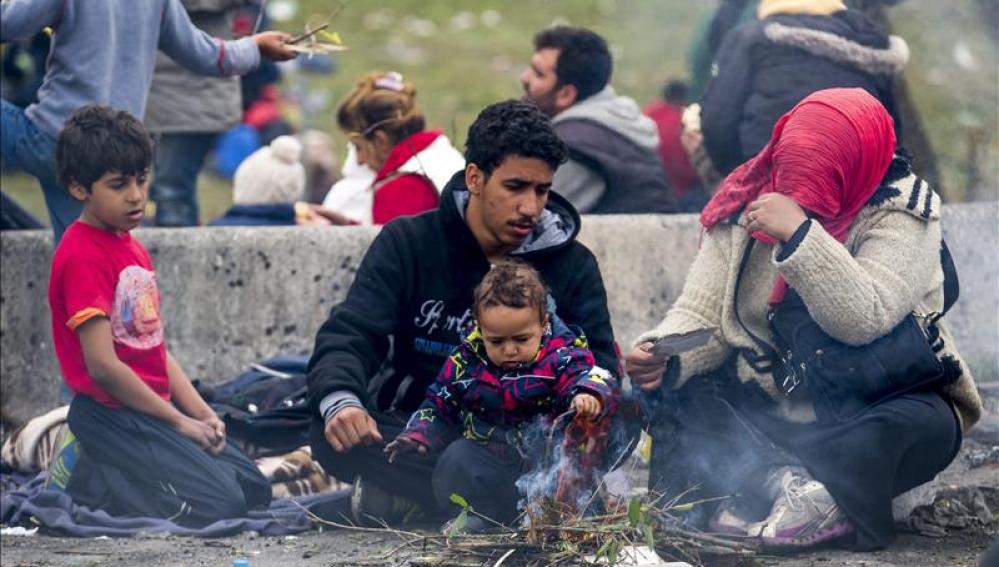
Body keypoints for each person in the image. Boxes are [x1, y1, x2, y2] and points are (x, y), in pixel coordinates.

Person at [625, 89, 981, 551]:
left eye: (821, 181)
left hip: (871, 400)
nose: (803, 194)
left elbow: (862, 317)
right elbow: (702, 313)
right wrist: (663, 353)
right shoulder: (746, 203)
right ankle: (786, 484)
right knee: (681, 393)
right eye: (793, 176)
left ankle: (772, 491)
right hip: (778, 410)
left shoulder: (903, 211)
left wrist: (800, 234)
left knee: (922, 423)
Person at [306, 100, 620, 524]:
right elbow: (350, 333)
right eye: (515, 187)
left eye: (542, 190)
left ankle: (426, 499)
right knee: (331, 433)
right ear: (475, 177)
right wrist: (341, 402)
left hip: (532, 445)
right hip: (427, 429)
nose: (531, 207)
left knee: (617, 430)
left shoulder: (573, 265)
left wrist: (588, 402)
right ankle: (499, 504)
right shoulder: (409, 242)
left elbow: (600, 363)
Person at [47, 105, 271, 526]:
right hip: (109, 415)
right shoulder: (82, 254)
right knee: (223, 505)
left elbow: (152, 348)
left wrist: (202, 413)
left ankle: (112, 472)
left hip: (151, 410)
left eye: (141, 180)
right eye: (118, 185)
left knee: (255, 490)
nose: (135, 195)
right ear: (79, 188)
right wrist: (180, 425)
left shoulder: (130, 245)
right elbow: (104, 368)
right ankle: (92, 476)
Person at [0, 0, 296, 241]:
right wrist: (254, 47)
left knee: (81, 262)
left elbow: (9, 23)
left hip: (52, 140)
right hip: (108, 156)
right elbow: (209, 56)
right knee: (83, 261)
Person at [385, 260, 618, 531]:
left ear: (543, 324)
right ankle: (478, 515)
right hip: (492, 453)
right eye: (496, 341)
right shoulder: (467, 359)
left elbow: (589, 374)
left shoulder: (561, 353)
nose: (509, 350)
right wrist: (417, 434)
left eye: (521, 340)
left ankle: (559, 518)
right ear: (479, 326)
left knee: (567, 468)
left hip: (543, 458)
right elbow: (440, 401)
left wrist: (586, 393)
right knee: (455, 460)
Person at [699, 0, 908, 176]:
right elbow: (891, 132)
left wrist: (743, 175)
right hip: (853, 188)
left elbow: (718, 122)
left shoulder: (748, 39)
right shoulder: (869, 45)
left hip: (773, 185)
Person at [520, 26, 675, 215]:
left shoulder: (575, 148)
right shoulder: (611, 125)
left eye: (538, 74)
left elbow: (534, 219)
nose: (524, 78)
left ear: (566, 94)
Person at [144, 0, 252, 227]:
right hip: (165, 86)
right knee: (168, 189)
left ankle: (178, 260)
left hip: (189, 92)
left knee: (171, 191)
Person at [333, 71, 465, 226]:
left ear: (380, 141)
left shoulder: (402, 189)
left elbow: (391, 248)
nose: (359, 160)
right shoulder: (441, 158)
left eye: (358, 146)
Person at [643, 80, 706, 212]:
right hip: (681, 189)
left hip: (651, 184)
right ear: (683, 98)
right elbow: (687, 167)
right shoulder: (685, 120)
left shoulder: (649, 113)